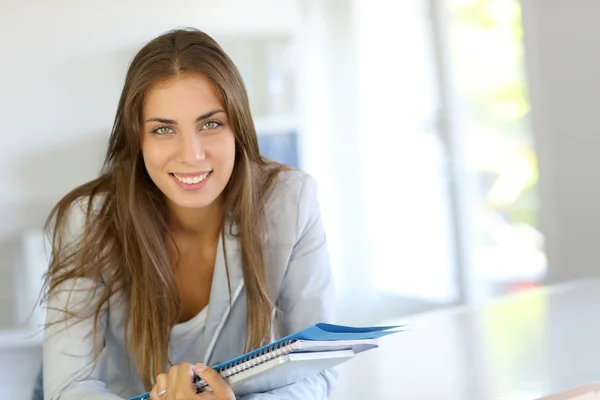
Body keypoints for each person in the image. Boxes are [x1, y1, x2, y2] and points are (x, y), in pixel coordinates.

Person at [34, 27, 336, 400]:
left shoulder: (291, 201)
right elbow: (68, 389)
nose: (191, 154)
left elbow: (319, 366)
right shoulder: (88, 221)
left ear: (237, 129)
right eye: (163, 129)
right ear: (137, 140)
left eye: (210, 124)